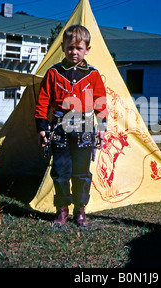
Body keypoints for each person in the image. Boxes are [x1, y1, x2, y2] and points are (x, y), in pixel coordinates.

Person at [34, 25, 108, 226]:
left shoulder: (93, 74)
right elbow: (42, 102)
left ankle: (80, 210)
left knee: (82, 173)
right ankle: (62, 210)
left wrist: (101, 128)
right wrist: (41, 128)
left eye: (78, 48)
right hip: (60, 129)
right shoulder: (53, 73)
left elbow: (100, 101)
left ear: (87, 49)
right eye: (69, 48)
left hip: (85, 129)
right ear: (63, 47)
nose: (74, 52)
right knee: (60, 172)